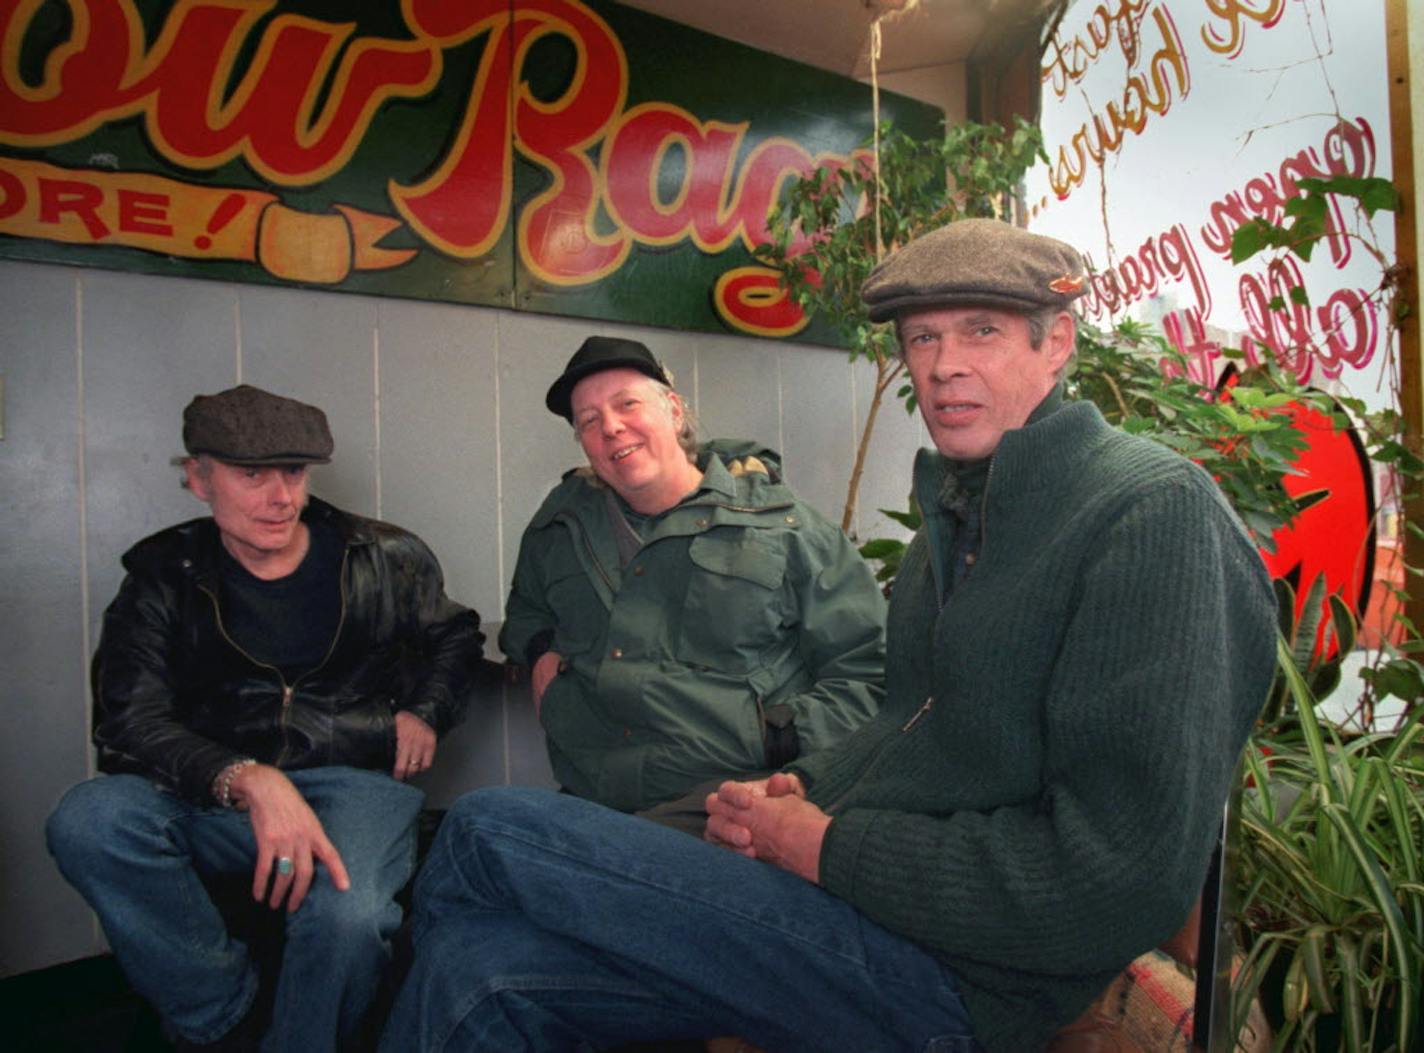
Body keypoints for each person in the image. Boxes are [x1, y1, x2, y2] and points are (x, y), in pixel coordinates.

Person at [380, 220, 1277, 1053]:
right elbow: (912, 726)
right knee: (478, 973)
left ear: (1058, 341)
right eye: (923, 339)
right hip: (860, 901)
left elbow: (1115, 878)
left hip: (966, 982)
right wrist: (798, 782)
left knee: (487, 824)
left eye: (981, 332)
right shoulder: (950, 530)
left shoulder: (1148, 512)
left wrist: (821, 843)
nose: (944, 366)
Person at [46, 384, 484, 1052]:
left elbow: (455, 635)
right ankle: (224, 1018)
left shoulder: (384, 556)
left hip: (351, 780)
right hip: (212, 795)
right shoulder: (165, 572)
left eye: (294, 473)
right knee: (88, 818)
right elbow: (128, 718)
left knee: (349, 916)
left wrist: (426, 711)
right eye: (252, 475)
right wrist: (245, 776)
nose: (281, 497)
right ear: (198, 478)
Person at [498, 336, 885, 827]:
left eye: (627, 404)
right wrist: (538, 654)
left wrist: (781, 740)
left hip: (731, 799)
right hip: (594, 793)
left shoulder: (786, 529)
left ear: (675, 411)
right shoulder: (560, 524)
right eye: (589, 421)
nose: (611, 427)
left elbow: (870, 676)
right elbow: (527, 610)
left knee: (487, 827)